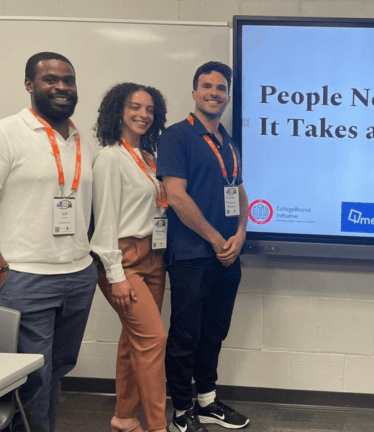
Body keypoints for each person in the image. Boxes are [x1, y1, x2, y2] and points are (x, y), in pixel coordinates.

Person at [0, 52, 97, 432]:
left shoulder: (80, 141)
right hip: (25, 278)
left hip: (77, 276)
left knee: (57, 369)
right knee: (32, 379)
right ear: (29, 85)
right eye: (50, 79)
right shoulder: (2, 133)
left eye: (68, 80)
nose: (61, 87)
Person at [156, 61, 250, 432]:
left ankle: (207, 402)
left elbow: (238, 190)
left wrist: (240, 233)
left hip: (227, 257)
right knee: (185, 337)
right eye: (207, 86)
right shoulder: (176, 136)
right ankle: (182, 412)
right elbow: (176, 196)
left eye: (221, 88)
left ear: (228, 95)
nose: (214, 93)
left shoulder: (228, 142)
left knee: (214, 332)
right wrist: (215, 238)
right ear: (195, 92)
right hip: (192, 257)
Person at [91, 83, 169, 432]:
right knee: (153, 339)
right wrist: (115, 275)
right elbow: (105, 219)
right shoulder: (110, 157)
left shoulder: (149, 158)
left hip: (154, 257)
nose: (143, 114)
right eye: (135, 107)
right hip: (124, 260)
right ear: (118, 112)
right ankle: (157, 426)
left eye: (150, 109)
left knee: (132, 341)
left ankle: (124, 417)